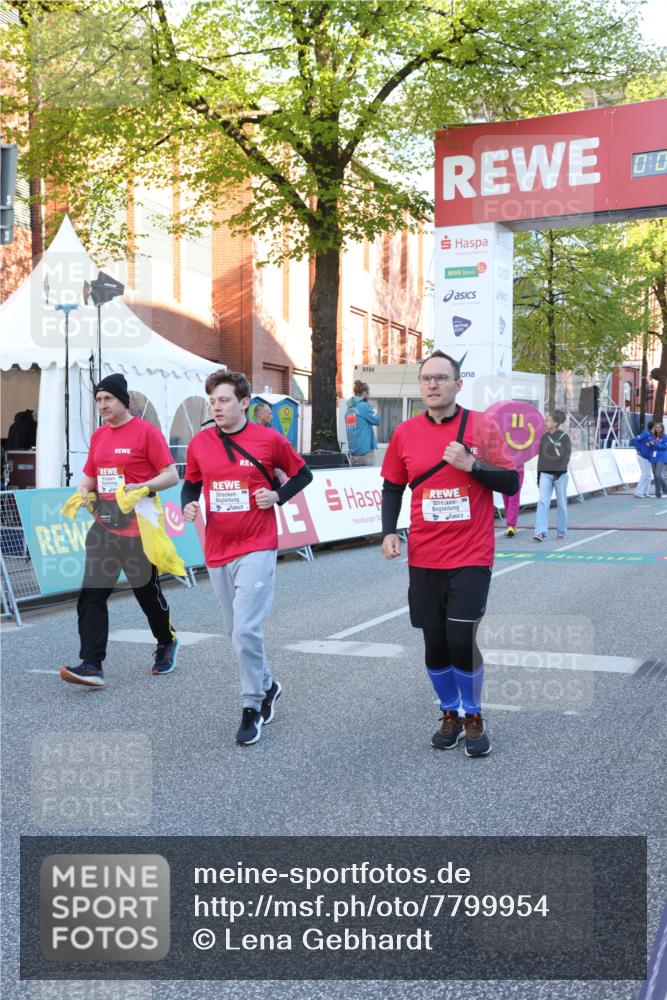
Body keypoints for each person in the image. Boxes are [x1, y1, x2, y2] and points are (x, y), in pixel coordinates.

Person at [380, 350, 519, 758]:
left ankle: (473, 715)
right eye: (426, 378)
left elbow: (510, 482)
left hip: (472, 554)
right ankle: (449, 713)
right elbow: (392, 486)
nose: (433, 384)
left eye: (442, 378)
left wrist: (471, 464)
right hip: (424, 555)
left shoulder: (482, 425)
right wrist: (388, 531)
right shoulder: (405, 432)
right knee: (435, 643)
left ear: (458, 385)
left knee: (461, 637)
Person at [181, 370, 313, 746]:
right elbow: (191, 483)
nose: (217, 407)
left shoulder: (269, 439)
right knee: (233, 631)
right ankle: (268, 686)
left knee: (245, 630)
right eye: (212, 402)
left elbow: (303, 475)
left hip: (257, 543)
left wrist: (277, 497)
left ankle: (252, 705)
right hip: (217, 548)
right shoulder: (201, 443)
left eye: (223, 400)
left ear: (243, 403)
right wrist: (189, 504)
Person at [60, 373, 180, 688]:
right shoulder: (99, 436)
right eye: (98, 400)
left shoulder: (146, 433)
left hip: (139, 529)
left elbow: (171, 476)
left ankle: (166, 641)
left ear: (122, 401)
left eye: (107, 399)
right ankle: (91, 664)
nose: (102, 405)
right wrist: (83, 492)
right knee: (91, 595)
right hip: (104, 527)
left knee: (146, 594)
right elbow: (90, 476)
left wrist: (144, 486)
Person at [533, 410, 571, 541]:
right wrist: (539, 476)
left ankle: (561, 530)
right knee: (543, 502)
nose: (545, 422)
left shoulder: (564, 437)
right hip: (545, 474)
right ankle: (540, 532)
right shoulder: (544, 437)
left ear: (555, 423)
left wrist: (559, 472)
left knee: (561, 503)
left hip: (560, 475)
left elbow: (566, 457)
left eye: (548, 420)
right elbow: (541, 457)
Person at [345, 380, 380, 466]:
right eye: (368, 393)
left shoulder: (348, 410)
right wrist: (371, 407)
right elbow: (377, 420)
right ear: (364, 393)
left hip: (353, 454)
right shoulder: (364, 406)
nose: (368, 395)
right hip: (365, 453)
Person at [632, 421, 654, 498]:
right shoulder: (646, 434)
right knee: (645, 474)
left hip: (648, 458)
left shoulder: (652, 436)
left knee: (649, 476)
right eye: (656, 427)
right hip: (643, 456)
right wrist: (638, 449)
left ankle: (645, 492)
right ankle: (638, 492)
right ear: (653, 427)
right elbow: (635, 439)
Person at [502, 467, 524, 537]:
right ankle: (511, 524)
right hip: (503, 470)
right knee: (506, 497)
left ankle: (511, 524)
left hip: (517, 470)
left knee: (514, 497)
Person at [648, 422, 667, 499]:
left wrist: (655, 443)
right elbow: (652, 448)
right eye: (656, 427)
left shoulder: (665, 437)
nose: (657, 429)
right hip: (654, 457)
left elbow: (664, 447)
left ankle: (665, 489)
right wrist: (649, 444)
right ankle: (658, 493)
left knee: (659, 474)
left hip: (662, 457)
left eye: (659, 427)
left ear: (662, 428)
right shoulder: (653, 437)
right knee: (655, 476)